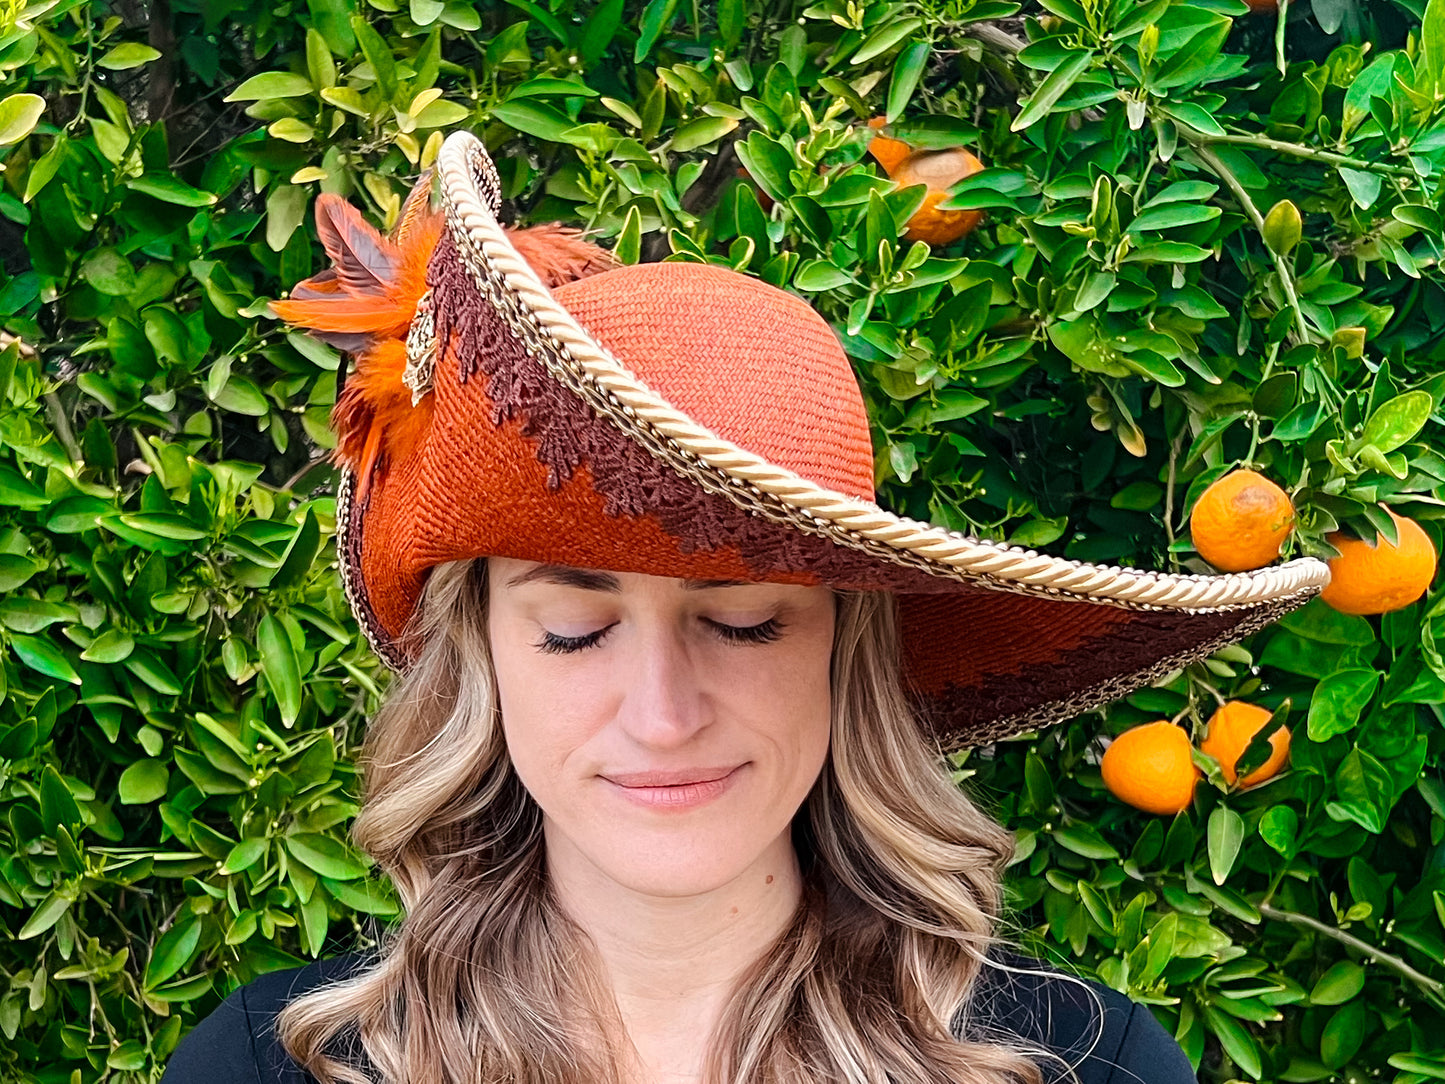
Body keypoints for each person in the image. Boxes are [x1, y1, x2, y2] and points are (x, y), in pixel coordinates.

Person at [160, 129, 1328, 1084]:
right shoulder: (273, 1067)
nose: (662, 715)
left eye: (744, 621)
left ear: (843, 648)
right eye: (573, 627)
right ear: (484, 658)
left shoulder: (1087, 1067)